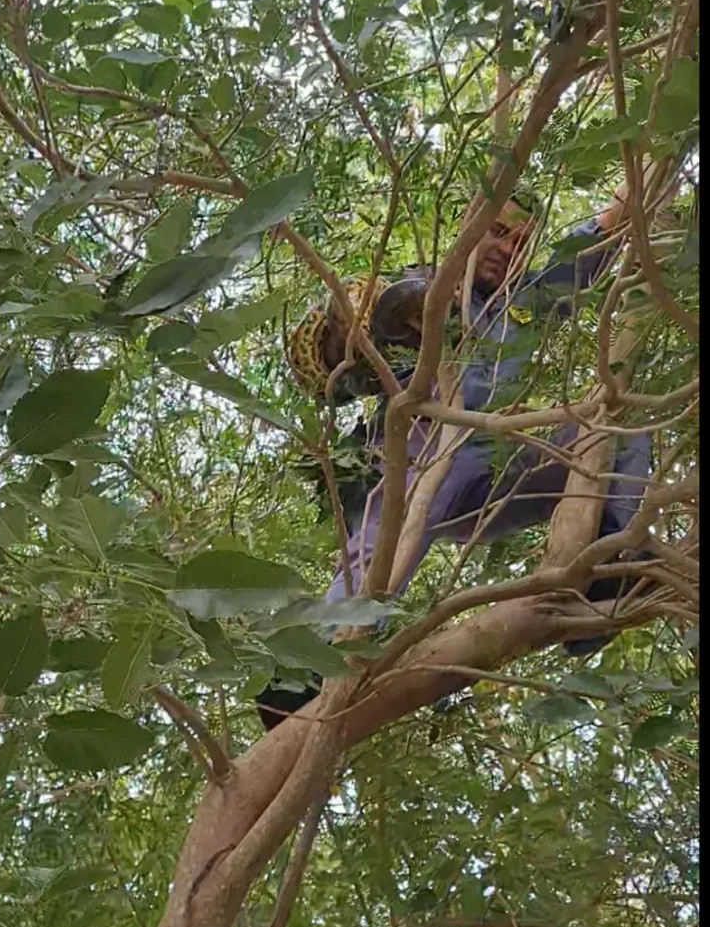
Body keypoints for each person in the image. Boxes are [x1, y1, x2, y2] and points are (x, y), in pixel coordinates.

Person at [256, 178, 653, 731]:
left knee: (614, 429)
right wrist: (389, 321)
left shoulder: (524, 302)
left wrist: (651, 170)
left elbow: (596, 240)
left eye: (520, 242)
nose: (507, 248)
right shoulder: (425, 286)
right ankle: (312, 660)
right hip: (422, 449)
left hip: (491, 463)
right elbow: (339, 357)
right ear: (468, 228)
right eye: (497, 231)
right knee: (391, 530)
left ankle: (608, 569)